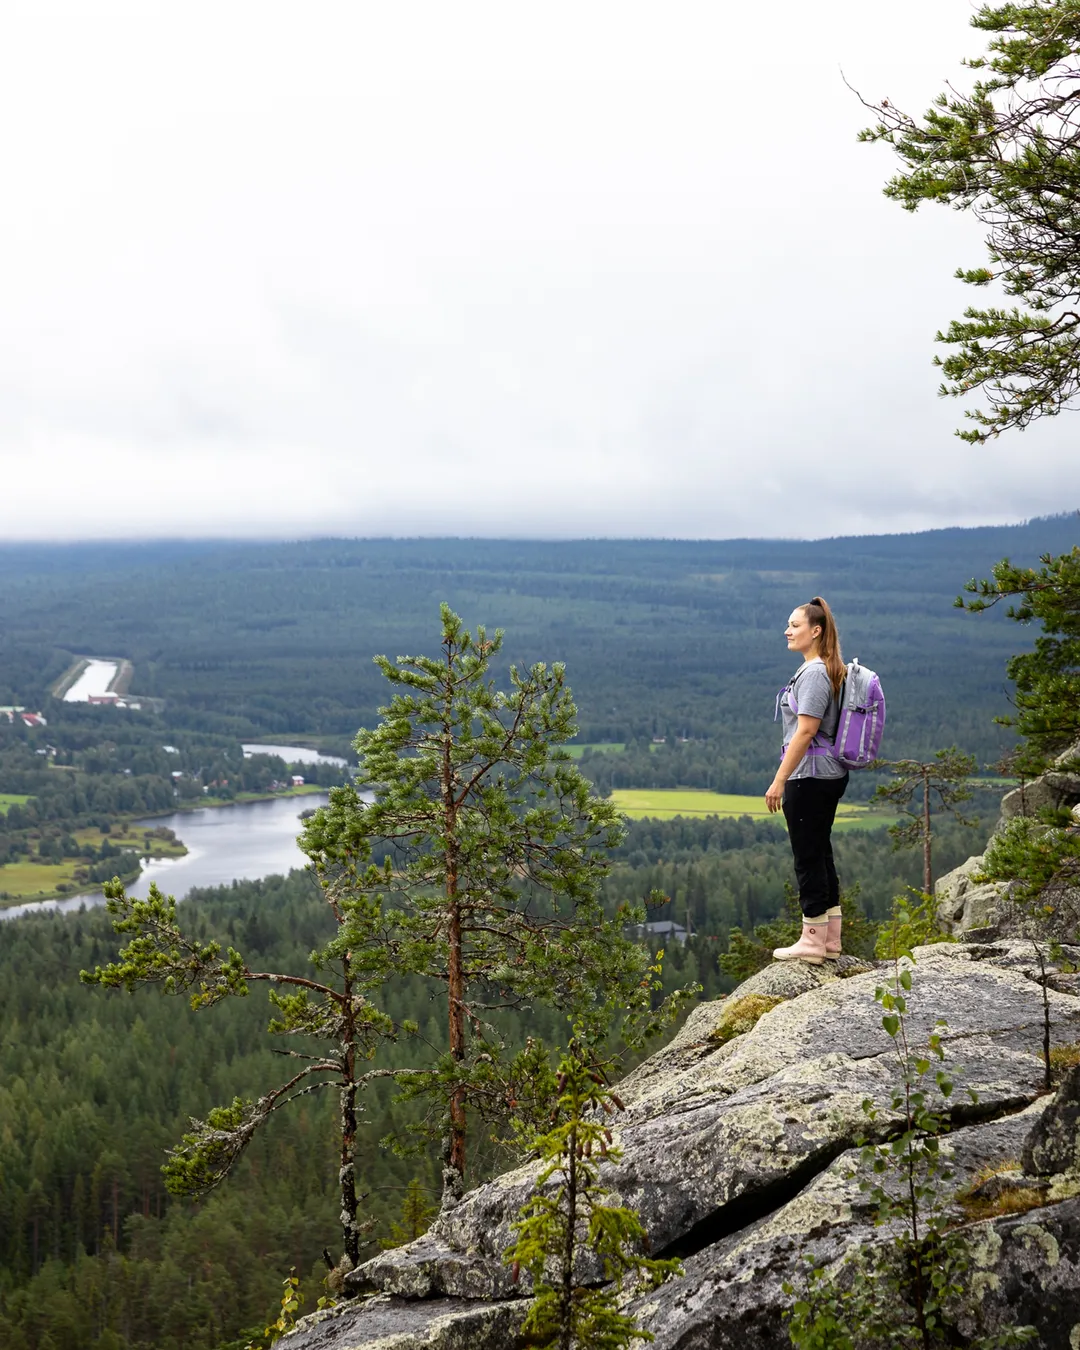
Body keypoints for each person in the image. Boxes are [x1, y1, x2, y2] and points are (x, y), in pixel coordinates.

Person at [765, 596, 847, 964]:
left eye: (794, 625)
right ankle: (830, 940)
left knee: (807, 855)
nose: (787, 631)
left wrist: (779, 780)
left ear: (816, 631)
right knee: (820, 851)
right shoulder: (823, 669)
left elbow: (806, 730)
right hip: (824, 775)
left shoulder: (815, 673)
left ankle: (812, 941)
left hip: (810, 775)